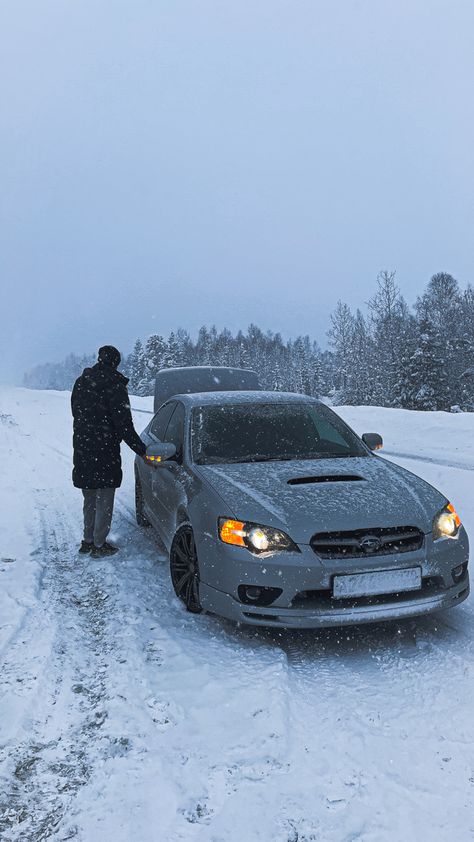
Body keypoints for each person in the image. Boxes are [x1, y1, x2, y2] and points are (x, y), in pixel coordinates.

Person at [71, 345, 147, 558]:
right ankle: (99, 544)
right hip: (104, 450)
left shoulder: (81, 382)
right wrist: (142, 450)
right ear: (115, 362)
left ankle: (87, 540)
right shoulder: (115, 385)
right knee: (104, 497)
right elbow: (124, 424)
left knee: (90, 496)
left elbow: (76, 412)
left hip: (84, 447)